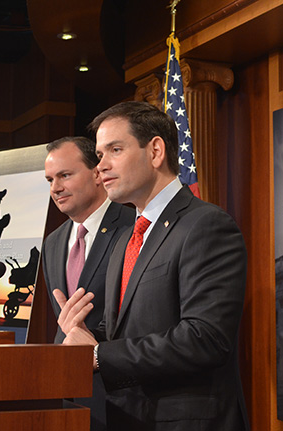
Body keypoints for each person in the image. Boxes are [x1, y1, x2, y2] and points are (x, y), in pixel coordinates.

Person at [53, 101, 249, 430]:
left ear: (155, 151)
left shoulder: (206, 225)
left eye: (115, 149)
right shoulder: (126, 238)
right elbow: (130, 331)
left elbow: (205, 338)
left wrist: (100, 355)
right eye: (99, 155)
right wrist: (83, 335)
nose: (101, 166)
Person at [42, 136, 135, 431]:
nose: (55, 188)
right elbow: (64, 324)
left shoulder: (133, 224)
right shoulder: (53, 243)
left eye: (65, 175)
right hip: (72, 399)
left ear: (97, 173)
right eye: (50, 180)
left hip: (127, 399)